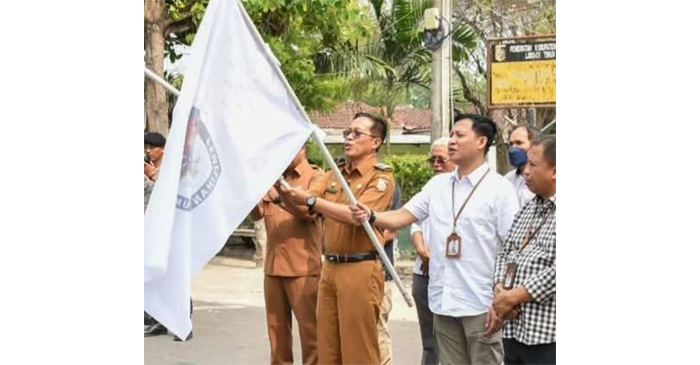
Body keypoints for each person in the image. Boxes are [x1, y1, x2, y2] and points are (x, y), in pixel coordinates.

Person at [350, 114, 520, 365]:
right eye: (451, 134)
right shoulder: (437, 185)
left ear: (481, 141)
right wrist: (372, 215)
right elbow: (402, 216)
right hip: (443, 301)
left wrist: (504, 299)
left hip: (481, 304)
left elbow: (514, 249)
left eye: (459, 135)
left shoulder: (499, 189)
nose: (451, 141)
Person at [278, 112, 396, 364]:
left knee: (358, 352)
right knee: (328, 350)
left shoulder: (381, 177)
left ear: (375, 142)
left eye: (357, 133)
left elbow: (357, 216)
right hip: (330, 267)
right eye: (347, 133)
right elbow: (304, 209)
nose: (349, 138)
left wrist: (311, 201)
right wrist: (282, 192)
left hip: (360, 268)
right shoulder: (335, 173)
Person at [250, 145, 324, 365]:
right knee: (276, 333)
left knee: (311, 334)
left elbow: (309, 213)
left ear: (302, 147)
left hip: (303, 268)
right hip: (273, 267)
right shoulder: (273, 175)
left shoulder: (316, 175)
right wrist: (251, 191)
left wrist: (279, 197)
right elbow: (257, 215)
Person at [492, 136, 556, 365]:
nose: (526, 171)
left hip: (548, 337)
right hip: (516, 329)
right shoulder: (529, 208)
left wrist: (514, 296)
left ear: (555, 171)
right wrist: (501, 289)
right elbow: (506, 250)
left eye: (533, 165)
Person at [143, 132, 193, 341]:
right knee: (155, 274)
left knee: (174, 274)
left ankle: (184, 322)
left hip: (170, 230)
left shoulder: (172, 170)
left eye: (152, 147)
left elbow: (168, 197)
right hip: (151, 228)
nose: (148, 151)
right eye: (146, 147)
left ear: (163, 148)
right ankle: (157, 320)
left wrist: (152, 176)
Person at [410, 137, 454, 365]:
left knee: (452, 340)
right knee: (430, 341)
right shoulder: (430, 188)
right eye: (432, 160)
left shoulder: (463, 191)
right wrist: (420, 248)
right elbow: (414, 221)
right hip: (423, 274)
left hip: (450, 276)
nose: (436, 165)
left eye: (441, 160)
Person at [378, 182, 402, 365]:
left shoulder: (387, 184)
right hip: (347, 273)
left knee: (378, 331)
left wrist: (352, 245)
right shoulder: (341, 182)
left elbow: (390, 232)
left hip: (379, 273)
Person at [505, 125, 539, 207]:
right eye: (511, 144)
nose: (513, 148)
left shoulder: (545, 178)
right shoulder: (507, 180)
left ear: (534, 145)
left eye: (519, 143)